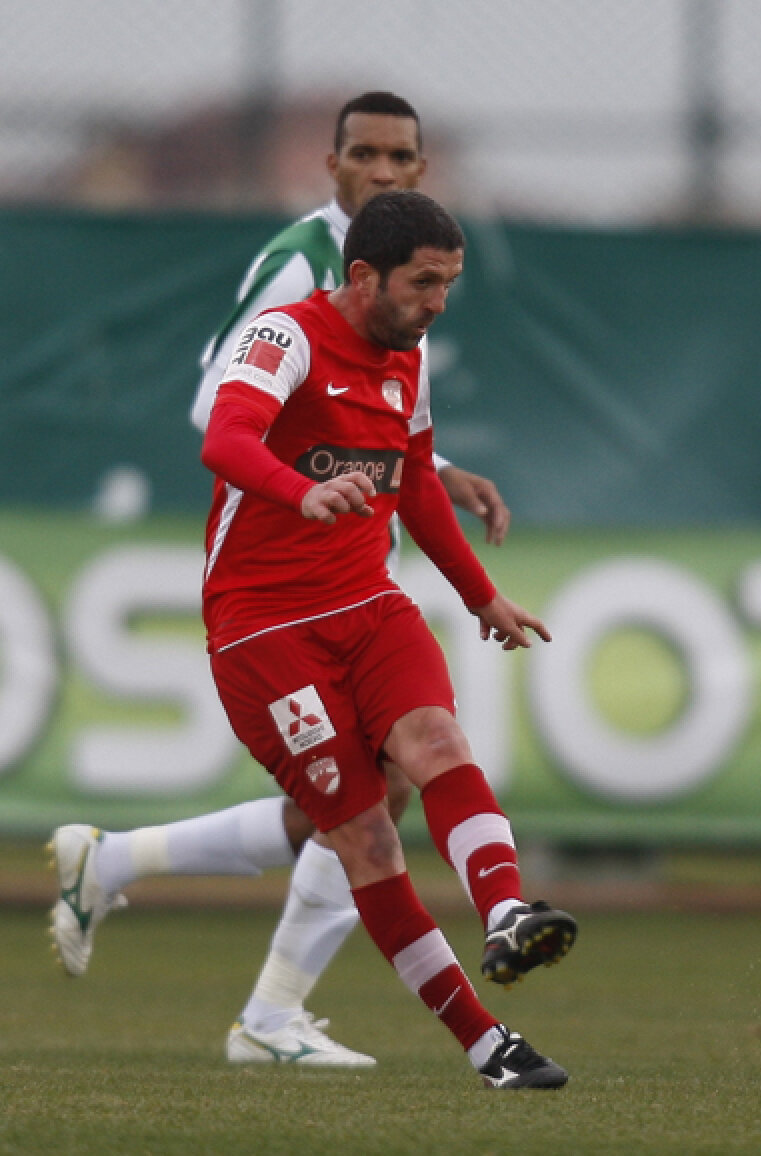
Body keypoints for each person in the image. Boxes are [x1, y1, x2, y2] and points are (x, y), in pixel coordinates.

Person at [47, 92, 515, 1069]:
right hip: (277, 579)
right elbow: (228, 411)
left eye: (404, 156)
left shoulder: (405, 287)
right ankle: (268, 1011)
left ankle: (137, 878)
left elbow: (387, 424)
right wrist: (307, 484)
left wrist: (424, 470)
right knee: (360, 809)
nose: (385, 171)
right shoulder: (302, 268)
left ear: (422, 170)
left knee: (363, 796)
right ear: (331, 162)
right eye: (367, 154)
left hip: (350, 565)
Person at [132, 189, 571, 1087]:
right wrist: (299, 490)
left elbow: (411, 481)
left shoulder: (407, 360)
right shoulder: (285, 336)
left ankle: (506, 915)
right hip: (266, 633)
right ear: (363, 276)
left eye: (449, 284)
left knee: (438, 743)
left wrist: (482, 596)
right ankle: (488, 1046)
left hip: (369, 606)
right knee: (365, 837)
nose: (437, 302)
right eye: (423, 283)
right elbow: (226, 438)